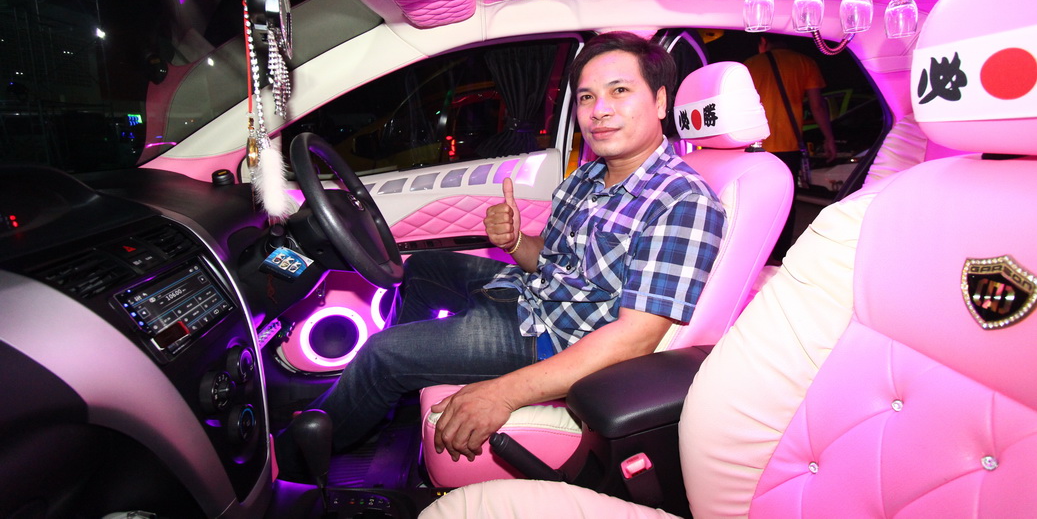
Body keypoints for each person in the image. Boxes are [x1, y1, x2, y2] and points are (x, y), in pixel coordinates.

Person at [279, 31, 726, 472]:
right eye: (586, 97)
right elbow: (551, 262)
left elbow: (635, 338)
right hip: (530, 294)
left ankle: (295, 458)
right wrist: (515, 242)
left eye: (620, 91)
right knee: (423, 269)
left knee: (382, 352)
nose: (599, 110)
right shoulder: (587, 177)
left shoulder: (681, 200)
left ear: (660, 101)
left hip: (554, 338)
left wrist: (504, 393)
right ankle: (389, 392)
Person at [743, 34, 836, 260]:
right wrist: (829, 138)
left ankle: (754, 254)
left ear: (763, 41)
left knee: (756, 201)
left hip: (754, 146)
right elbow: (817, 105)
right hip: (788, 146)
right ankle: (779, 255)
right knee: (785, 203)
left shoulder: (749, 65)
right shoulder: (805, 63)